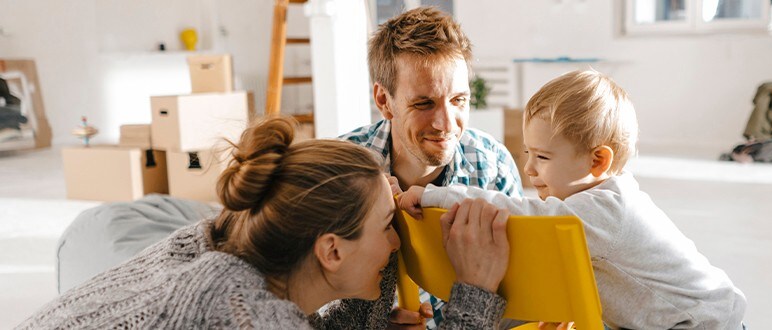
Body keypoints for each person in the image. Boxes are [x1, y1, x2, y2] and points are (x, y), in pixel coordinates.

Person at [17, 118, 512, 329]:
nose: (396, 240)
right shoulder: (243, 315)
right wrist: (474, 294)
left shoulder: (217, 242)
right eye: (388, 225)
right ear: (331, 250)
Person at [399, 70, 748, 329]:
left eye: (543, 157)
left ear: (598, 162)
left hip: (704, 322)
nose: (529, 169)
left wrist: (436, 195)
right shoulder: (590, 205)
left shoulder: (609, 209)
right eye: (528, 153)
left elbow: (522, 212)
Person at [339, 7, 524, 327]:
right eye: (424, 103)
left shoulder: (493, 165)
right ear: (384, 101)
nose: (446, 124)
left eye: (458, 101)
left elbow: (518, 292)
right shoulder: (340, 169)